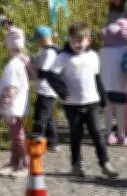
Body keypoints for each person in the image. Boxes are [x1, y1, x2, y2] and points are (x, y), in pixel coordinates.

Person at [49, 23, 119, 179]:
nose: (77, 45)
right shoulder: (63, 57)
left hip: (92, 103)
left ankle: (105, 163)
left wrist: (103, 98)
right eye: (74, 41)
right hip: (72, 105)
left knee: (97, 133)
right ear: (69, 40)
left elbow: (96, 78)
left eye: (81, 41)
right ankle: (76, 165)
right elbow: (51, 76)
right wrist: (63, 93)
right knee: (76, 134)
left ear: (89, 41)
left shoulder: (93, 56)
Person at [0, 27, 30, 179]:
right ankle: (14, 162)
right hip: (17, 105)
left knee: (18, 135)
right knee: (16, 135)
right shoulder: (19, 62)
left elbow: (11, 88)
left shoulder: (14, 65)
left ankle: (26, 164)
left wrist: (3, 106)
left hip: (14, 107)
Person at [99, 20, 127, 147]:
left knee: (107, 112)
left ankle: (108, 135)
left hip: (105, 87)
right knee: (121, 113)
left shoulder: (102, 51)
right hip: (121, 87)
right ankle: (121, 136)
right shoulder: (125, 50)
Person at [29, 26, 60, 152]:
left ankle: (38, 140)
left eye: (37, 41)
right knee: (50, 118)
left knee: (40, 117)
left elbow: (45, 71)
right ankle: (52, 142)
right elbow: (37, 60)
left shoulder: (50, 52)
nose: (37, 44)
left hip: (46, 90)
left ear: (43, 39)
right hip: (48, 90)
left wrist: (34, 71)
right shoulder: (47, 51)